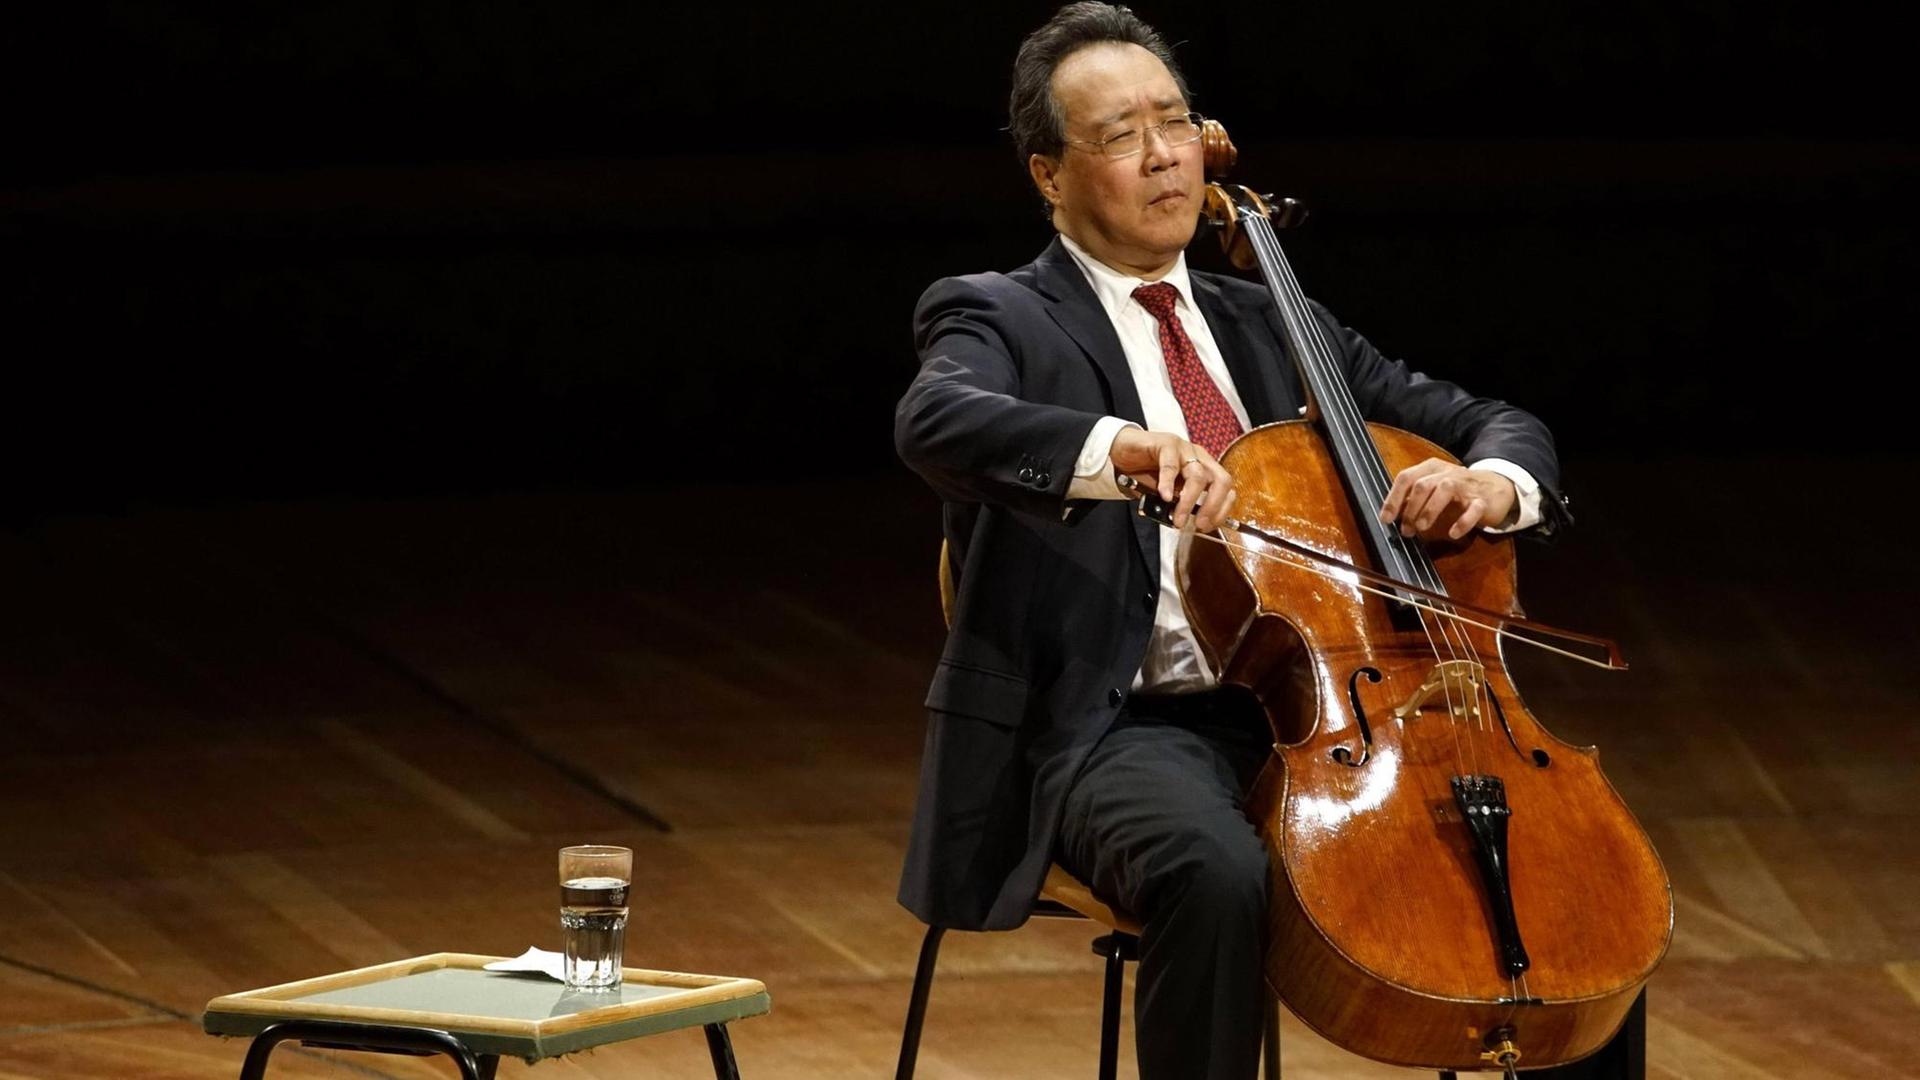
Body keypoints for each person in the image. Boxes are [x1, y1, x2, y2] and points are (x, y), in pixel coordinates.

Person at [893, 4, 1571, 1077]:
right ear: (1048, 175)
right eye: (1119, 135)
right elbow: (936, 421)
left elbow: (1487, 419)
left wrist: (1491, 483)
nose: (1164, 155)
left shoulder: (1268, 316)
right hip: (1120, 724)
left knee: (1558, 867)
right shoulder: (997, 315)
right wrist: (1122, 448)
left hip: (1322, 705)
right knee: (1214, 867)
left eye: (1175, 122)